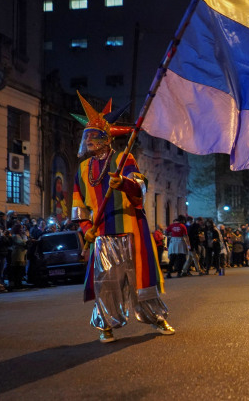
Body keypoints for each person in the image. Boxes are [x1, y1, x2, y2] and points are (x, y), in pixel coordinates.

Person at [71, 92, 174, 342]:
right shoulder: (83, 169)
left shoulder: (123, 158)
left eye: (95, 136)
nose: (91, 141)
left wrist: (124, 184)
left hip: (131, 230)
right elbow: (78, 207)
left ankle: (156, 317)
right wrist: (86, 228)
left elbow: (141, 188)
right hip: (103, 235)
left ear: (107, 139)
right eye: (88, 137)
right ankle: (105, 325)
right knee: (106, 283)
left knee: (140, 279)